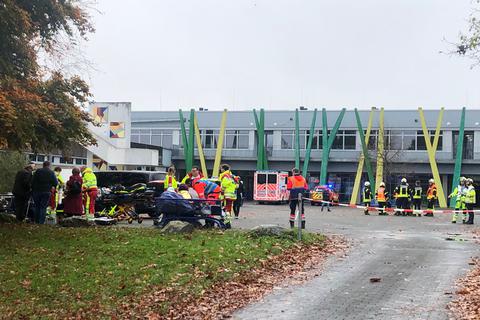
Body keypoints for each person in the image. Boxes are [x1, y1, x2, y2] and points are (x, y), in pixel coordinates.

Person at [219, 164, 237, 229]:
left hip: (226, 195)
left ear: (224, 169)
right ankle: (228, 222)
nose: (220, 170)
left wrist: (221, 191)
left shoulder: (225, 176)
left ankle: (226, 223)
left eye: (221, 168)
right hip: (231, 195)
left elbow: (224, 185)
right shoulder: (231, 176)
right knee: (228, 210)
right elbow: (237, 185)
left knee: (225, 209)